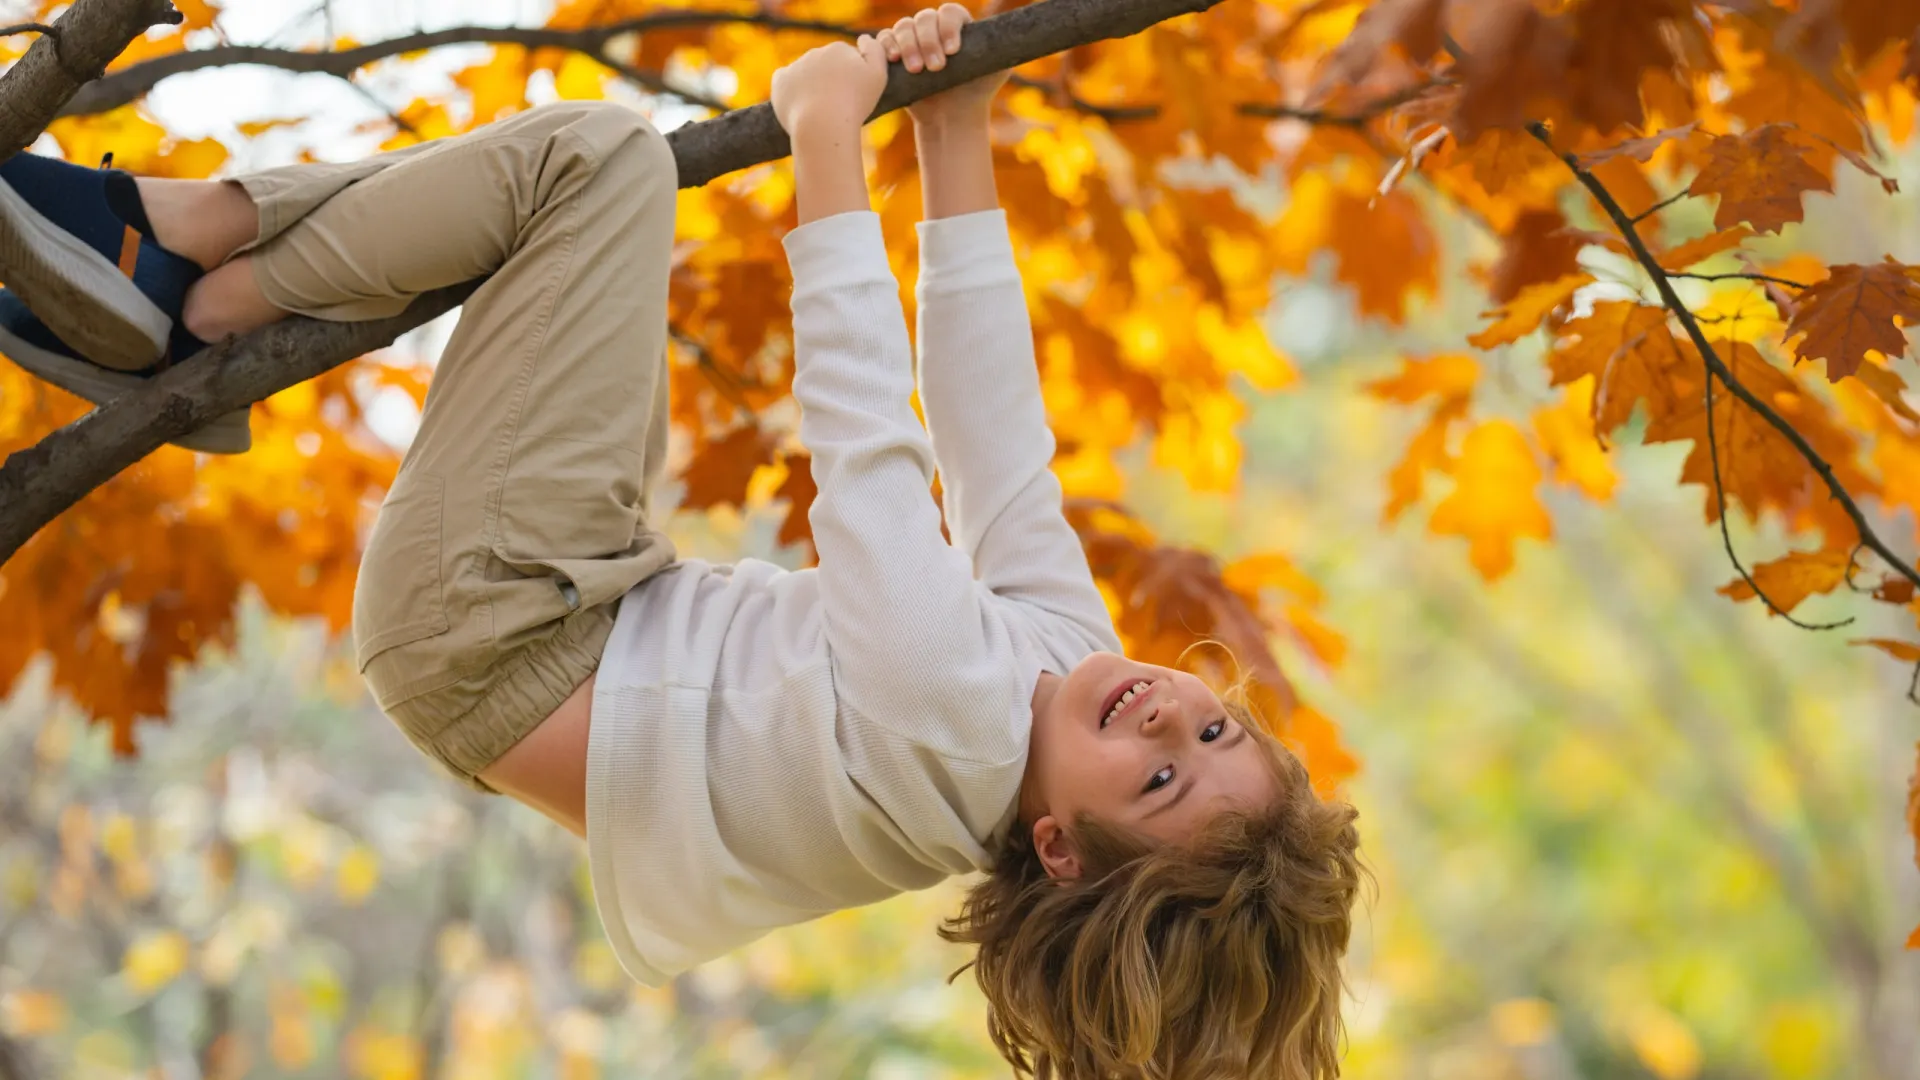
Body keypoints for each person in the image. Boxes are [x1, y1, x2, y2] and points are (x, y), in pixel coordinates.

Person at [0, 7, 1363, 1075]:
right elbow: (997, 440)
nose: (1169, 719)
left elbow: (873, 463)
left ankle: (180, 263)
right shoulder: (1063, 669)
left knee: (594, 165)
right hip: (587, 591)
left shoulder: (953, 729)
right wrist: (957, 133)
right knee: (578, 208)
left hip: (492, 630)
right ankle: (192, 297)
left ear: (1060, 849)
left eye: (1160, 782)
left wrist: (827, 143)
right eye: (1216, 731)